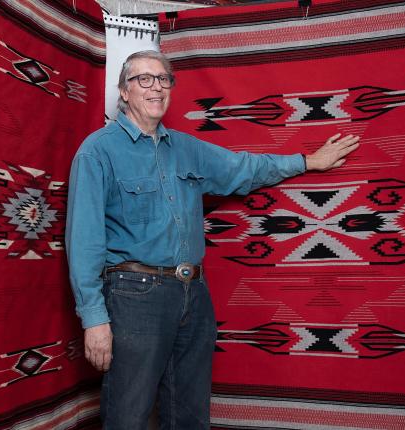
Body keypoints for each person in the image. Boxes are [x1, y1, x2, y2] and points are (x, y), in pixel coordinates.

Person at [65, 50, 359, 429]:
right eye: (144, 79)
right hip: (133, 297)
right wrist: (94, 319)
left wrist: (306, 161)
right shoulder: (98, 151)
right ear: (123, 91)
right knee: (128, 415)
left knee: (189, 414)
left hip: (193, 295)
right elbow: (84, 240)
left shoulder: (186, 148)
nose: (156, 87)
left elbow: (243, 168)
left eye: (163, 78)